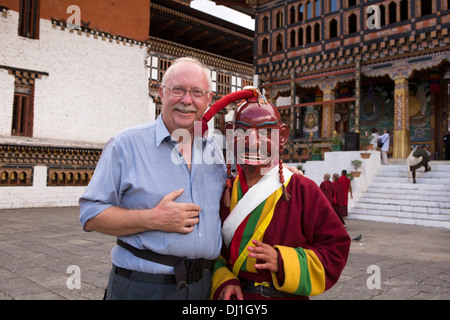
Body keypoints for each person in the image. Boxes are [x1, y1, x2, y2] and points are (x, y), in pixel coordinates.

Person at [79, 57, 227, 300]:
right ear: (161, 93)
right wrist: (153, 219)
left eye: (196, 92)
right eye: (177, 89)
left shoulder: (215, 151)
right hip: (144, 287)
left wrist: (282, 177)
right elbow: (90, 215)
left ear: (208, 100)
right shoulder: (126, 144)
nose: (186, 100)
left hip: (204, 287)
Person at [209, 90, 351, 300]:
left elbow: (335, 249)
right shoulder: (225, 191)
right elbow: (212, 249)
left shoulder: (303, 190)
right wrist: (224, 279)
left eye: (266, 132)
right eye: (243, 132)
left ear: (282, 136)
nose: (253, 141)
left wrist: (283, 260)